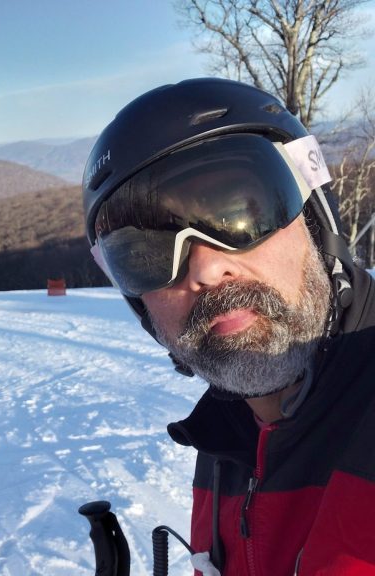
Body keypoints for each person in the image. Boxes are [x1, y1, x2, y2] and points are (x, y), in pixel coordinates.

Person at [82, 77, 375, 575]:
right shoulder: (226, 438)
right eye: (147, 253)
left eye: (240, 212)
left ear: (314, 218)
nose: (206, 269)